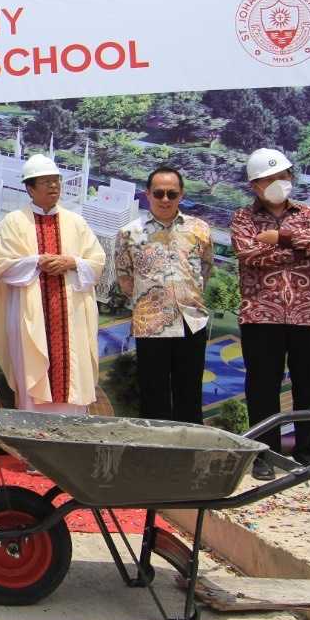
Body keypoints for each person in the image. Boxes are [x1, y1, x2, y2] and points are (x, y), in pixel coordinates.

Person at [230, 148, 310, 481]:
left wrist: (281, 238)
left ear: (291, 177)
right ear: (254, 185)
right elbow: (249, 253)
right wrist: (302, 250)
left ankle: (309, 455)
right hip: (262, 314)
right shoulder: (243, 218)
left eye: (282, 176)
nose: (278, 183)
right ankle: (264, 454)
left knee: (309, 387)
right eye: (268, 179)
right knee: (261, 387)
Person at [0, 154, 105, 420]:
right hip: (30, 315)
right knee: (32, 369)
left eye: (56, 181)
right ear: (30, 188)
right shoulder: (14, 222)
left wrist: (71, 261)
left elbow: (97, 262)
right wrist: (37, 261)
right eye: (46, 182)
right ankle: (34, 451)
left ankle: (71, 444)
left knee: (72, 373)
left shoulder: (76, 222)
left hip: (71, 316)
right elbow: (1, 265)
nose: (54, 187)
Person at [114, 165, 213, 425]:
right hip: (152, 325)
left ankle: (191, 454)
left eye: (172, 193)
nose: (166, 199)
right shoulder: (129, 234)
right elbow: (125, 279)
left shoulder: (199, 229)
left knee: (190, 394)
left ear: (182, 195)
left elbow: (205, 269)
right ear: (148, 194)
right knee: (153, 395)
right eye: (159, 193)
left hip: (191, 321)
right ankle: (157, 458)